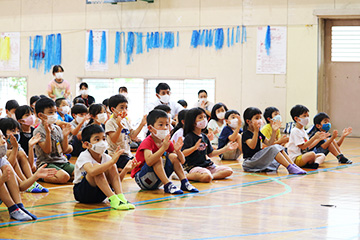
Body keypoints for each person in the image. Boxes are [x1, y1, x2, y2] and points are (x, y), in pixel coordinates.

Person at [131, 109, 198, 194]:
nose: (165, 128)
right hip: (143, 179)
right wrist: (163, 148)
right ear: (150, 128)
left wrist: (178, 151)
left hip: (158, 180)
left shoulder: (166, 142)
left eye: (167, 124)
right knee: (157, 158)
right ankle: (168, 185)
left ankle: (184, 182)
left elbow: (182, 161)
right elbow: (149, 161)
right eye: (161, 125)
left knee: (173, 156)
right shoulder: (147, 142)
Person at [73, 124, 135, 210]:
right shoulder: (84, 156)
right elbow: (92, 172)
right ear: (86, 144)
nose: (102, 142)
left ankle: (121, 198)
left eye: (103, 139)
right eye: (97, 139)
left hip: (100, 195)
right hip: (83, 194)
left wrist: (125, 170)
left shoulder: (106, 157)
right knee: (97, 167)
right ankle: (113, 199)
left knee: (112, 166)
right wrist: (112, 161)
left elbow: (115, 181)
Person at [0, 129, 56, 221]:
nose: (3, 141)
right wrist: (2, 180)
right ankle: (13, 208)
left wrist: (36, 176)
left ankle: (18, 207)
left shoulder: (2, 160)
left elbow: (21, 187)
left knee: (8, 168)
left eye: (3, 137)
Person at [241, 107, 306, 174]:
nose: (259, 120)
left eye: (260, 118)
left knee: (278, 147)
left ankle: (293, 165)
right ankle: (289, 168)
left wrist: (274, 131)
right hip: (250, 162)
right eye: (256, 118)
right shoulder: (246, 134)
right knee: (274, 148)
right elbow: (252, 146)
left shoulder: (258, 133)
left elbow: (269, 143)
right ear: (248, 121)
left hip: (258, 158)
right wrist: (256, 132)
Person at [181, 108, 238, 183]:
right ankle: (183, 176)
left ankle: (210, 176)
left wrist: (226, 149)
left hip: (207, 166)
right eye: (200, 117)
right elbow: (183, 153)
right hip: (194, 167)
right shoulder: (189, 137)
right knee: (206, 176)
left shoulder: (204, 136)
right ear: (193, 122)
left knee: (229, 171)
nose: (204, 119)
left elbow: (210, 153)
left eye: (204, 117)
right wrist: (194, 148)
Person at [33, 98, 74, 183]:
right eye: (50, 112)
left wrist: (65, 136)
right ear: (41, 115)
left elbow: (65, 150)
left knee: (81, 174)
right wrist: (48, 133)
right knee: (64, 177)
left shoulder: (57, 128)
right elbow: (47, 150)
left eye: (55, 112)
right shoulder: (38, 131)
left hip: (61, 161)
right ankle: (40, 176)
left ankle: (64, 175)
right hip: (46, 163)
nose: (54, 114)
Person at [105, 94, 147, 171]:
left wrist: (142, 124)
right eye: (121, 107)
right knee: (136, 167)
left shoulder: (125, 121)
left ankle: (121, 169)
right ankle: (117, 168)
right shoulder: (110, 123)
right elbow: (113, 139)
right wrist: (119, 127)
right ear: (113, 109)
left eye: (126, 107)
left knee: (143, 162)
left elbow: (133, 136)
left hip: (127, 154)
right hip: (116, 155)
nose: (124, 110)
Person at [288, 105, 329, 169]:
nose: (307, 118)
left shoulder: (303, 131)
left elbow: (308, 147)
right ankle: (309, 164)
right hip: (296, 159)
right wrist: (314, 138)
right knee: (312, 154)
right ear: (296, 118)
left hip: (304, 156)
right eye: (304, 116)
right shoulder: (295, 131)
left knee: (322, 155)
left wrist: (318, 139)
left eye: (307, 116)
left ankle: (315, 164)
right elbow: (303, 146)